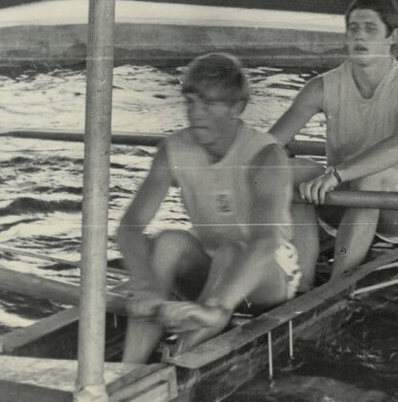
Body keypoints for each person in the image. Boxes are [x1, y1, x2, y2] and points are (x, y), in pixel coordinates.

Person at [116, 53, 318, 363]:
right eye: (190, 102)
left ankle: (180, 352)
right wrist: (144, 285)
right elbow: (129, 227)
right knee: (169, 241)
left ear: (237, 108)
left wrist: (218, 306)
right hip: (214, 264)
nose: (196, 115)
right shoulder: (172, 150)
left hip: (269, 273)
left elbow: (263, 244)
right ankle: (128, 370)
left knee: (230, 252)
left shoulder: (265, 156)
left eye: (209, 106)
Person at [269, 0, 398, 279]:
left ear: (392, 37)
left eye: (370, 29)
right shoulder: (321, 86)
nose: (359, 37)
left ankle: (335, 287)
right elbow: (268, 145)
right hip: (344, 198)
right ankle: (301, 285)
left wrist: (336, 174)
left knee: (368, 179)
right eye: (353, 29)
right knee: (289, 170)